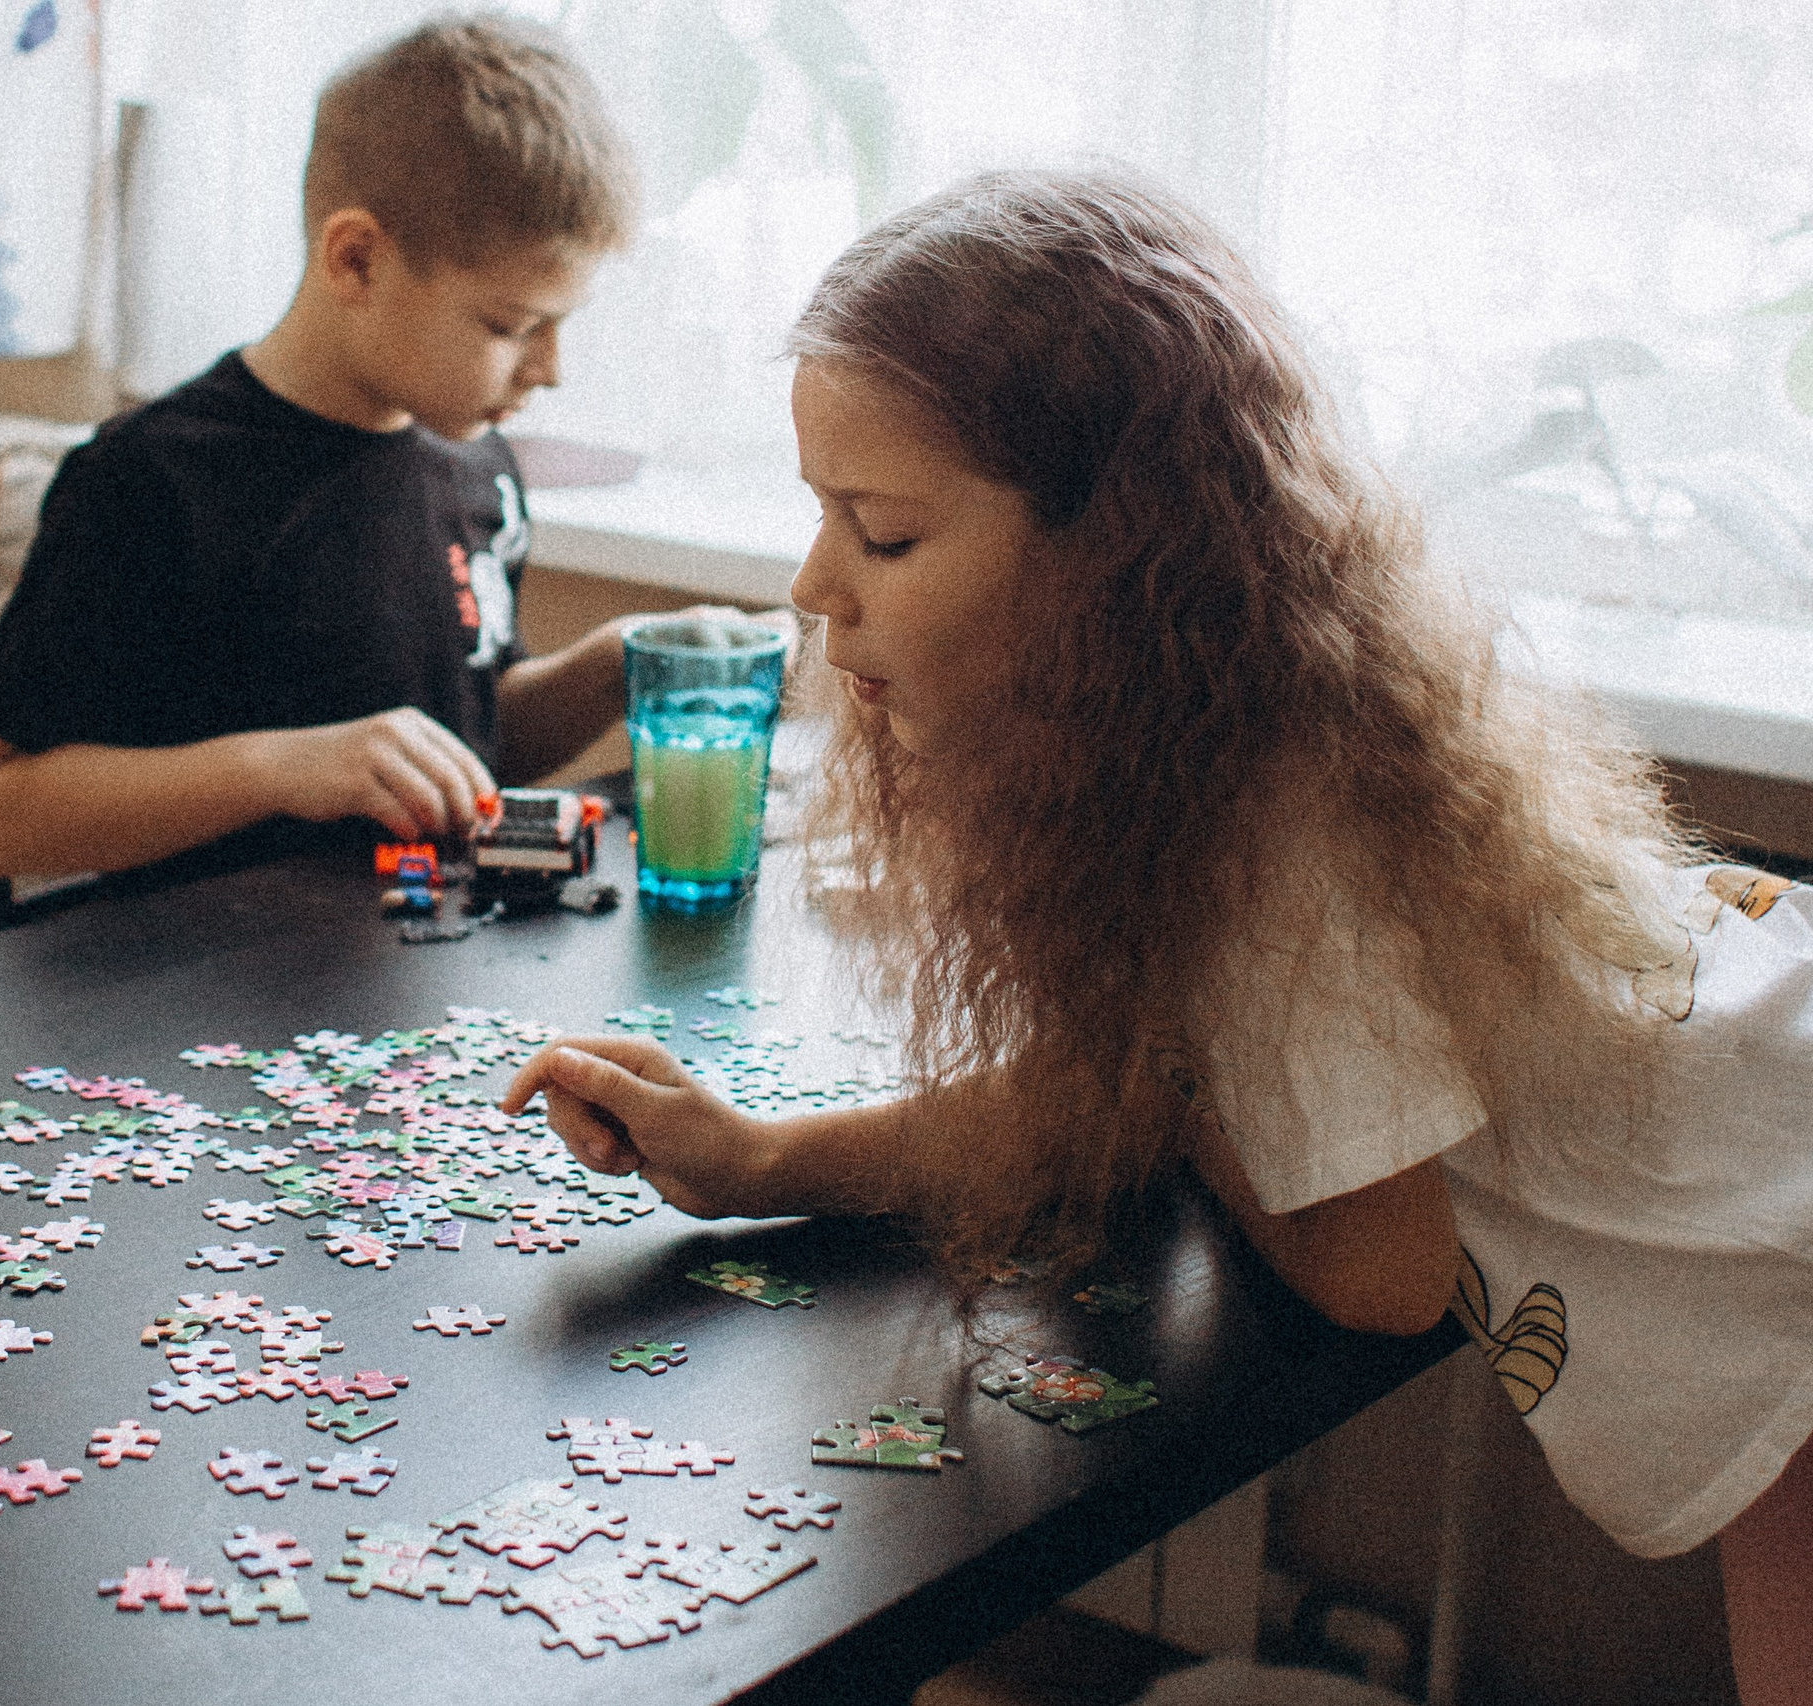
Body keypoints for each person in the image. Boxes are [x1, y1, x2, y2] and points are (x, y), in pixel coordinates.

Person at [500, 171, 1813, 1703]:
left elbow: (1376, 1270)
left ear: (1111, 562)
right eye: (817, 514)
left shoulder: (1278, 838)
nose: (812, 585)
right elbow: (1113, 1092)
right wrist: (772, 1161)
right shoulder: (1235, 741)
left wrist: (1189, 1108)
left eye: (883, 533)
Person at [0, 15, 764, 886]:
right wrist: (282, 769)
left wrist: (610, 667)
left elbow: (463, 749)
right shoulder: (152, 480)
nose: (551, 370)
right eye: (511, 325)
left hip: (420, 985)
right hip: (205, 996)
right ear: (358, 260)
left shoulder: (477, 466)